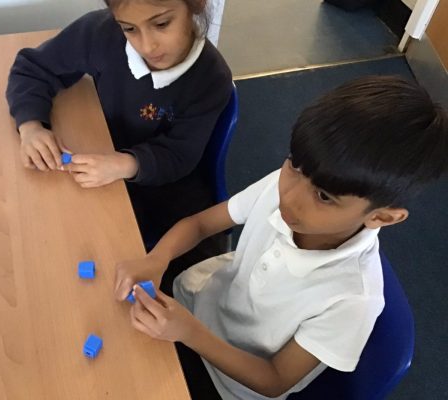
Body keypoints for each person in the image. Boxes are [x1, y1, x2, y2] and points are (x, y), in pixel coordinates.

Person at [113, 76, 448, 399]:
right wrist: (157, 259)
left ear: (382, 217)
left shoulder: (354, 299)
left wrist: (189, 333)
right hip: (194, 306)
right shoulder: (286, 184)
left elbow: (274, 380)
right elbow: (200, 225)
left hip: (228, 382)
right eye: (295, 166)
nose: (289, 196)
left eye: (324, 197)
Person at [6, 0, 234, 291]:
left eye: (161, 24)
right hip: (104, 168)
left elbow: (180, 155)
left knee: (164, 284)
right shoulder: (101, 32)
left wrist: (126, 164)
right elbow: (32, 67)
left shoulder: (210, 78)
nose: (147, 46)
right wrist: (31, 127)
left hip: (165, 189)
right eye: (129, 29)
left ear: (196, 4)